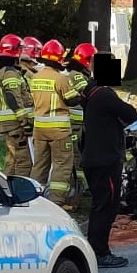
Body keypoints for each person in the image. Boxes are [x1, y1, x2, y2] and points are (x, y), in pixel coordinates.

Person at [80, 79, 137, 268]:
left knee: (101, 204)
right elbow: (131, 114)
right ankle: (100, 252)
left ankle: (96, 249)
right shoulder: (104, 95)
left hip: (95, 159)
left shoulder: (90, 95)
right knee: (106, 206)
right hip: (105, 161)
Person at [29, 39, 81, 209]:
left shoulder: (35, 78)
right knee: (61, 166)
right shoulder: (60, 79)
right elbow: (72, 100)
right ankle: (56, 202)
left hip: (39, 130)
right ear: (59, 58)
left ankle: (34, 198)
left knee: (40, 166)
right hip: (59, 131)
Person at [0, 33, 34, 177]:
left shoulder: (1, 72)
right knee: (23, 162)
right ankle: (21, 193)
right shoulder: (10, 74)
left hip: (8, 125)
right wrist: (25, 121)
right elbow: (12, 97)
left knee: (12, 160)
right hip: (15, 125)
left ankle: (6, 190)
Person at [63, 43, 97, 205]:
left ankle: (82, 186)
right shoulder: (75, 75)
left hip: (79, 123)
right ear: (85, 61)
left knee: (80, 156)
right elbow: (87, 92)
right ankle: (79, 188)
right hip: (73, 124)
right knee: (76, 157)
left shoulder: (79, 73)